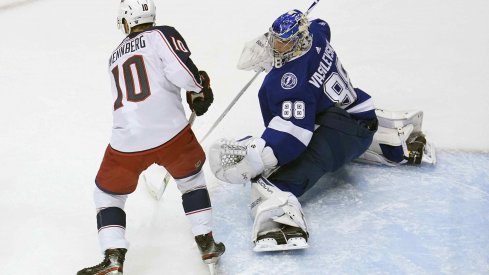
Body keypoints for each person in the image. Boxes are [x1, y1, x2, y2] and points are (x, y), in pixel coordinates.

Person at [209, 9, 434, 252]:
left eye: (284, 43)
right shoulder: (316, 34)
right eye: (275, 40)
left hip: (345, 132)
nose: (277, 47)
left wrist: (259, 156)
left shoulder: (289, 79)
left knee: (278, 178)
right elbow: (322, 24)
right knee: (323, 118)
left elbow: (294, 134)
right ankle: (390, 142)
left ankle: (281, 221)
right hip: (361, 113)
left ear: (299, 40)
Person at [77, 0, 224, 274]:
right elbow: (182, 72)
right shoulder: (160, 34)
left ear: (126, 21)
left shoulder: (114, 56)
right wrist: (198, 88)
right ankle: (207, 241)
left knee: (107, 196)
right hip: (172, 134)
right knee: (191, 181)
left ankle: (113, 256)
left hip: (127, 141)